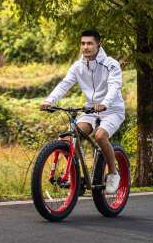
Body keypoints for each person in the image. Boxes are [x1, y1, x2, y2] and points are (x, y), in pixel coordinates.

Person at [40, 29, 125, 194]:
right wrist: (50, 100)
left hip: (112, 110)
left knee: (100, 136)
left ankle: (114, 173)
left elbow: (115, 86)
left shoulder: (111, 64)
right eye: (83, 43)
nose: (85, 47)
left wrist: (105, 103)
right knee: (68, 138)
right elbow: (65, 84)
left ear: (98, 44)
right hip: (90, 110)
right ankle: (76, 175)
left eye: (89, 43)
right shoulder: (77, 66)